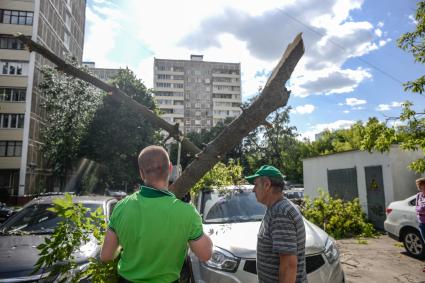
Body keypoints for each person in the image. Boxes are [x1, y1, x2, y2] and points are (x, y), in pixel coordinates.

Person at [100, 145, 212, 283]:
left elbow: (106, 256)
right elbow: (205, 254)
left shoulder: (121, 207)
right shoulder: (187, 213)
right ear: (170, 168)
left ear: (141, 173)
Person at [245, 165, 307, 283]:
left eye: (256, 184)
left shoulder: (280, 213)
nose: (253, 189)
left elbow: (289, 265)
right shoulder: (276, 208)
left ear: (267, 185)